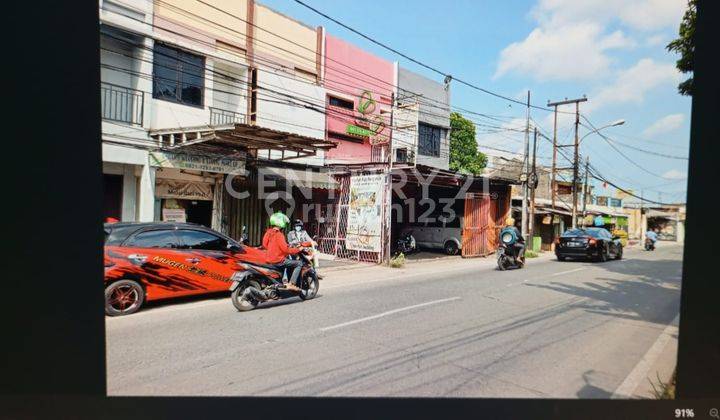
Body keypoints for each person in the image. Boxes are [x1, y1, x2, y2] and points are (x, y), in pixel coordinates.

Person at [262, 212, 303, 292]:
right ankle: (291, 284)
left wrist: (273, 250)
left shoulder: (268, 232)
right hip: (278, 260)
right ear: (281, 224)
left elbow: (264, 244)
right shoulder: (279, 235)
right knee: (299, 263)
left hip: (269, 259)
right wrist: (298, 249)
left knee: (288, 261)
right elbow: (285, 250)